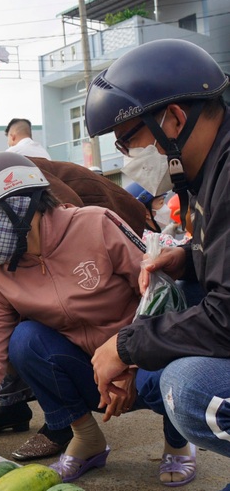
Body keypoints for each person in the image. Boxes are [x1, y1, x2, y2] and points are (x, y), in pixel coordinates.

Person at [0, 152, 192, 485]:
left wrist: (128, 359)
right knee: (24, 340)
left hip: (142, 362)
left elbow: (160, 300)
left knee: (177, 369)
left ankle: (177, 441)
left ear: (17, 203)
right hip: (91, 374)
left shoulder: (96, 224)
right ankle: (86, 439)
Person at [86, 39, 230, 475]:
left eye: (128, 139)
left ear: (173, 118)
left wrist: (124, 346)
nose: (126, 157)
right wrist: (187, 257)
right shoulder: (206, 172)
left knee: (188, 388)